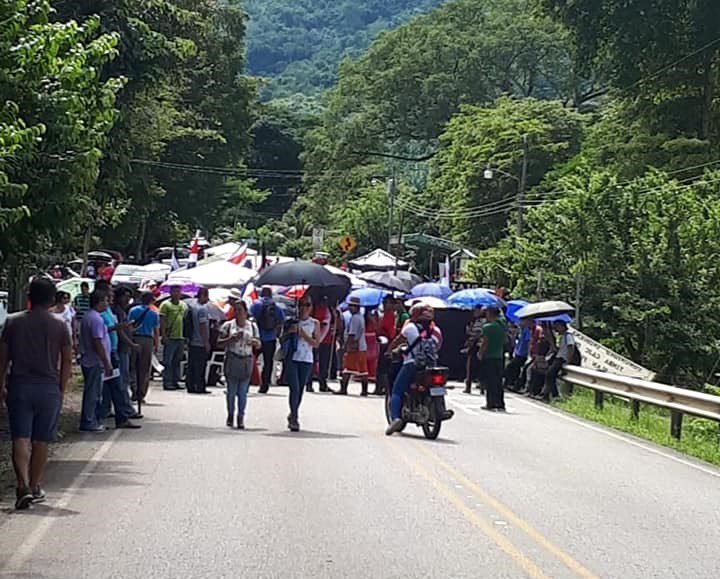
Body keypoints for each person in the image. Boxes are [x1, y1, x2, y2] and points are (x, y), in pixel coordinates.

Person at [0, 278, 72, 509]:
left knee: (20, 437)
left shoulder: (13, 322)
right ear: (52, 299)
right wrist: (61, 389)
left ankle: (22, 485)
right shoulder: (60, 325)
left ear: (29, 297)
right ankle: (34, 484)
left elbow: (2, 359)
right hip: (48, 388)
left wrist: (1, 384)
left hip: (20, 386)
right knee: (41, 440)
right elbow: (67, 361)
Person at [386, 304, 443, 435]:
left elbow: (397, 341)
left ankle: (395, 419)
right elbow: (438, 346)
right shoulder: (437, 331)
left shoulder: (410, 328)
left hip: (412, 364)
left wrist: (389, 351)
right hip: (431, 365)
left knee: (396, 390)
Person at [218, 300, 260, 429]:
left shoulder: (252, 326)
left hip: (246, 359)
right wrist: (231, 339)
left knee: (242, 392)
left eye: (240, 310)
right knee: (231, 391)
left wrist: (254, 342)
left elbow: (259, 344)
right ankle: (230, 414)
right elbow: (219, 342)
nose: (237, 313)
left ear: (245, 312)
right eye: (235, 310)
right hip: (232, 358)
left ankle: (240, 416)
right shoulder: (228, 326)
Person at [284, 296, 320, 432]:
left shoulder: (314, 323)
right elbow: (281, 338)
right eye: (301, 305)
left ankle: (293, 412)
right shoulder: (291, 321)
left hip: (306, 359)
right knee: (294, 388)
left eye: (307, 305)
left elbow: (316, 343)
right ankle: (294, 417)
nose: (304, 308)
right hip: (292, 358)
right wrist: (290, 331)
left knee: (300, 389)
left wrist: (303, 334)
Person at [251, 286, 285, 393]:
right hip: (270, 338)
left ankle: (247, 381)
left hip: (257, 337)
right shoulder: (276, 306)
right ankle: (264, 385)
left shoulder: (256, 304)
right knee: (268, 362)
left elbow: (249, 315)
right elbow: (282, 319)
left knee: (251, 359)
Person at [128, 292, 160, 403]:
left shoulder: (133, 311)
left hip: (135, 338)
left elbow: (129, 326)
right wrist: (156, 344)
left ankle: (134, 389)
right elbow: (156, 331)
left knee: (133, 366)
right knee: (145, 368)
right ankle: (141, 393)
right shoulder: (154, 313)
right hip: (148, 340)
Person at [336, 296, 369, 396]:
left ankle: (343, 389)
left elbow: (352, 334)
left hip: (354, 347)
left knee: (347, 368)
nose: (350, 308)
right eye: (350, 305)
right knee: (363, 370)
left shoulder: (355, 318)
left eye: (353, 306)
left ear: (357, 307)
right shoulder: (360, 317)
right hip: (361, 347)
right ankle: (364, 390)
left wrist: (346, 346)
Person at [478, 306, 506, 411]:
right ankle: (500, 403)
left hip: (489, 356)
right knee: (498, 381)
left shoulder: (488, 327)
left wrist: (480, 353)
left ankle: (490, 403)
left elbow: (485, 343)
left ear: (490, 314)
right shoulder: (502, 325)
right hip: (499, 356)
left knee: (489, 381)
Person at [159, 285, 187, 391]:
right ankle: (167, 381)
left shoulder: (183, 305)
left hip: (180, 337)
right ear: (170, 293)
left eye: (178, 292)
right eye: (174, 291)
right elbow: (162, 320)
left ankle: (175, 381)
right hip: (170, 336)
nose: (176, 294)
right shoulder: (165, 305)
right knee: (168, 361)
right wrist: (164, 335)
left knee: (177, 360)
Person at [541, 320, 576, 402]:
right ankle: (549, 394)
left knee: (550, 374)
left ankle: (554, 395)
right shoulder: (562, 336)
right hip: (558, 357)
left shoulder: (568, 336)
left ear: (562, 326)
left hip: (562, 358)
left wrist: (568, 360)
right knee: (549, 375)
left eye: (557, 326)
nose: (555, 329)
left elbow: (571, 347)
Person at [186, 287, 211, 394]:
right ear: (202, 295)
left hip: (192, 340)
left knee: (191, 364)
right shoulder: (202, 309)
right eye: (207, 296)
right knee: (200, 366)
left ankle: (190, 385)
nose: (208, 299)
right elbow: (203, 327)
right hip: (200, 341)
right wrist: (206, 342)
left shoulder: (192, 306)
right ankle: (200, 386)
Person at [307, 296, 332, 393]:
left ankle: (323, 384)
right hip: (315, 339)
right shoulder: (313, 310)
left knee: (324, 364)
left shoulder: (329, 311)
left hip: (327, 340)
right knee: (312, 362)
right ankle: (309, 384)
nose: (324, 303)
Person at [505, 318, 533, 392]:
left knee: (511, 366)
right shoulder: (521, 330)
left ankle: (512, 383)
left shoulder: (527, 331)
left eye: (521, 321)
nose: (519, 323)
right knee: (514, 368)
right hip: (518, 352)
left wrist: (529, 354)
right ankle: (512, 383)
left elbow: (529, 342)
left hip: (523, 354)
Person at [463, 306, 485, 394]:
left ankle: (480, 386)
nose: (474, 312)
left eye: (476, 310)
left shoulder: (482, 321)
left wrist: (469, 332)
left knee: (474, 366)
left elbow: (479, 333)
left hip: (478, 345)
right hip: (474, 345)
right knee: (472, 366)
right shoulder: (475, 321)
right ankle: (470, 386)